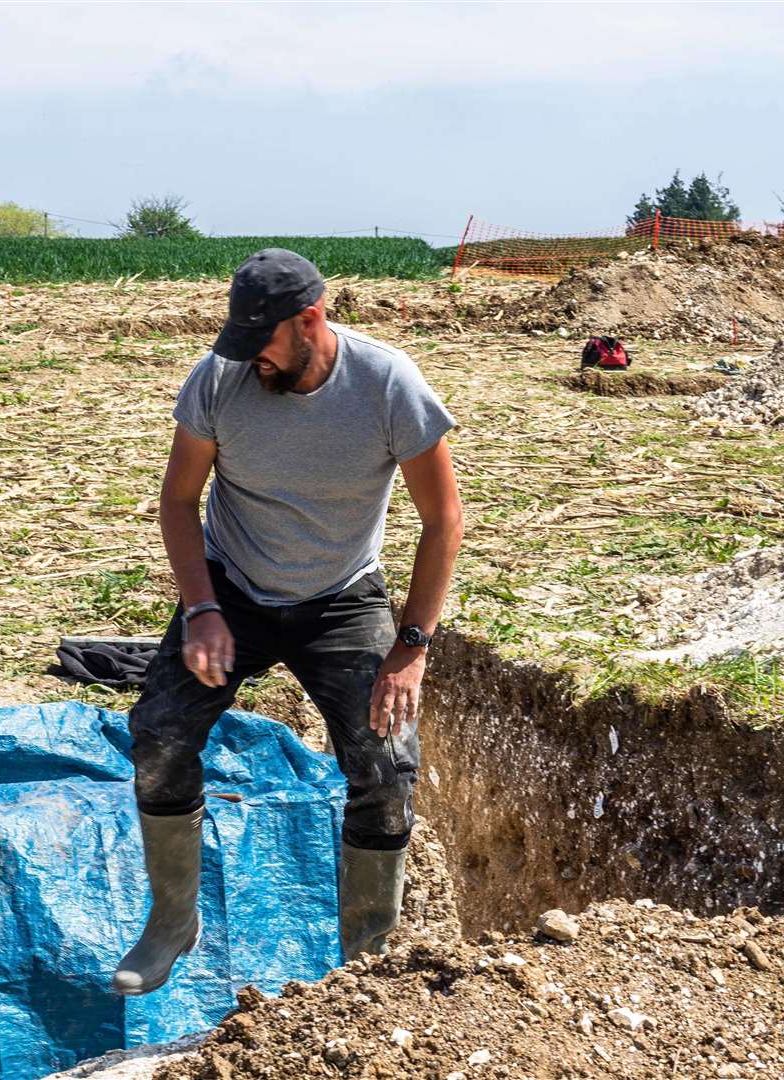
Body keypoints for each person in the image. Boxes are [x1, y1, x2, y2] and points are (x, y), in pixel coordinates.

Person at [112, 248, 463, 995]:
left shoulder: (387, 384)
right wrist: (202, 607)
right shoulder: (219, 380)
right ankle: (173, 920)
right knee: (161, 736)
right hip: (233, 588)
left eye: (262, 344)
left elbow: (444, 519)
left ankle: (367, 961)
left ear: (311, 319)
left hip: (342, 597)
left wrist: (411, 647)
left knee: (385, 767)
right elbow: (178, 502)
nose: (250, 363)